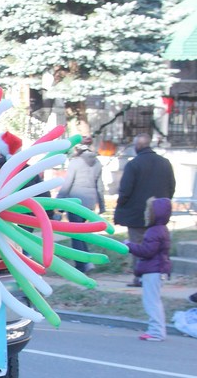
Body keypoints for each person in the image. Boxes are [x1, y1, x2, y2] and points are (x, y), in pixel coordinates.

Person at [114, 134, 175, 286]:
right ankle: (157, 274)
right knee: (157, 246)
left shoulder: (134, 164)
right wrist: (164, 205)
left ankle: (140, 277)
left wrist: (120, 207)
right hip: (159, 213)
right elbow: (171, 186)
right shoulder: (165, 163)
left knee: (138, 245)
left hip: (136, 214)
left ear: (137, 146)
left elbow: (125, 190)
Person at [124, 197, 172, 341]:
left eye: (148, 211)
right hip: (157, 269)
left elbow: (146, 251)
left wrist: (129, 245)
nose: (145, 214)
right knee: (154, 301)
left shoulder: (154, 231)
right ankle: (156, 330)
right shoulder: (161, 230)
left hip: (153, 270)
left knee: (151, 302)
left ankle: (156, 332)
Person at [57, 139, 105, 273]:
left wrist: (59, 202)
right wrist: (102, 205)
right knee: (83, 233)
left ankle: (82, 264)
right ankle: (87, 261)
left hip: (76, 202)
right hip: (89, 202)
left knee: (76, 234)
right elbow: (99, 186)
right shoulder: (97, 163)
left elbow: (67, 184)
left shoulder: (75, 163)